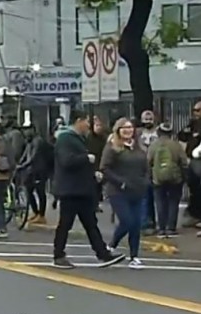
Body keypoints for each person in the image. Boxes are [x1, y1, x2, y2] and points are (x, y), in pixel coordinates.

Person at [52, 110, 125, 269]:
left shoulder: (78, 139)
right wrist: (86, 158)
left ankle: (102, 254)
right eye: (86, 121)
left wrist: (93, 174)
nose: (88, 125)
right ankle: (58, 255)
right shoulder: (65, 139)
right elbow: (66, 161)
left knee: (91, 223)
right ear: (78, 121)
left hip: (82, 189)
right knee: (65, 224)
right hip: (70, 190)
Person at [100, 118, 151, 269]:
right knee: (127, 221)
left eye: (130, 127)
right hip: (118, 191)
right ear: (118, 130)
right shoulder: (112, 148)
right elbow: (105, 168)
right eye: (124, 128)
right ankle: (111, 246)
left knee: (136, 224)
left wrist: (146, 180)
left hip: (138, 190)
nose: (128, 130)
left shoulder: (139, 148)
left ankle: (134, 256)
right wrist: (120, 182)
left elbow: (146, 166)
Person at [148, 122, 189, 238]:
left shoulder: (153, 145)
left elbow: (147, 162)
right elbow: (184, 162)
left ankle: (161, 228)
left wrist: (150, 175)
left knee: (160, 202)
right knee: (173, 202)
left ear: (158, 132)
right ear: (171, 133)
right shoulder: (176, 145)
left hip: (158, 178)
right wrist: (184, 177)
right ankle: (171, 228)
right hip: (175, 178)